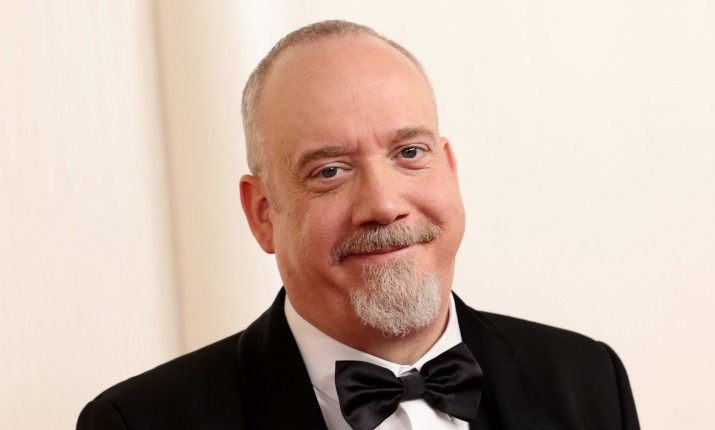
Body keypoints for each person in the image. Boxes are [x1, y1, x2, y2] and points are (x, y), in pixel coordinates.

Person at [77, 20, 640, 430]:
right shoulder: (137, 422)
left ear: (450, 169)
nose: (384, 204)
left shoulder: (590, 379)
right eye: (330, 170)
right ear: (263, 214)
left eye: (409, 153)